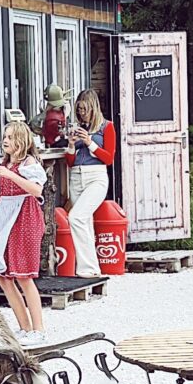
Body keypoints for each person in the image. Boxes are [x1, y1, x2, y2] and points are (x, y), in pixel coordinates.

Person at [0, 120, 47, 336]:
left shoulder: (28, 163)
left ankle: (38, 330)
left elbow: (37, 190)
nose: (5, 140)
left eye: (11, 137)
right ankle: (24, 327)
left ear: (21, 141)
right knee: (3, 276)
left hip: (26, 220)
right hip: (7, 224)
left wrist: (12, 175)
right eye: (5, 136)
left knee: (24, 275)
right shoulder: (4, 167)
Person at [66, 88, 117, 279]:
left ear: (93, 107)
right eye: (79, 109)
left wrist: (89, 142)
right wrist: (71, 144)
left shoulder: (107, 127)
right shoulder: (80, 128)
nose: (81, 113)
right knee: (85, 222)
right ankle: (93, 268)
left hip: (96, 176)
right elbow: (70, 162)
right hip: (77, 176)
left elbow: (109, 158)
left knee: (76, 218)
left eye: (84, 109)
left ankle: (86, 269)